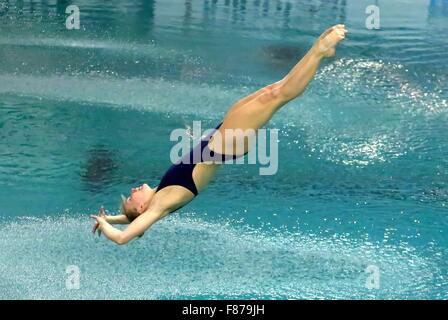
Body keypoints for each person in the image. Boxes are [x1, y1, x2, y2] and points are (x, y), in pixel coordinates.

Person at [91, 24, 348, 245]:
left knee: (273, 90)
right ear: (142, 207)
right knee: (277, 96)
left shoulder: (159, 196)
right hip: (224, 145)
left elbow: (131, 219)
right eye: (132, 196)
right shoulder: (159, 204)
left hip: (220, 137)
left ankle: (318, 50)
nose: (134, 189)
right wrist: (106, 228)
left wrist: (110, 218)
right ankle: (320, 52)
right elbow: (124, 237)